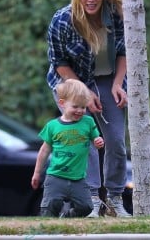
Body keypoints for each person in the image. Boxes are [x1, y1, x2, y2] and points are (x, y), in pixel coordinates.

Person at [46, 0, 130, 217]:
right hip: (71, 81)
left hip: (107, 79)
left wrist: (118, 84)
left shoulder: (117, 15)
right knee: (86, 137)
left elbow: (126, 50)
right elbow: (59, 62)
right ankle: (91, 199)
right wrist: (83, 92)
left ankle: (114, 199)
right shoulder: (62, 20)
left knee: (115, 140)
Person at [31, 79, 104, 217]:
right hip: (56, 177)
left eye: (83, 107)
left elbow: (96, 139)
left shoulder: (88, 122)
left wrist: (98, 141)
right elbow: (44, 150)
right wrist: (37, 173)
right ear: (62, 103)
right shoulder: (53, 126)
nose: (80, 111)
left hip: (79, 178)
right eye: (75, 106)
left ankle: (67, 217)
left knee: (87, 207)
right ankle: (46, 232)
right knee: (50, 207)